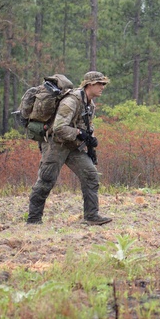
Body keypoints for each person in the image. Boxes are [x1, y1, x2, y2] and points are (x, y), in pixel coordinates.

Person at [26, 71, 113, 225]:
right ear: (90, 84)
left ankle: (92, 216)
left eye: (104, 84)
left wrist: (90, 139)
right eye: (100, 84)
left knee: (90, 175)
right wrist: (79, 133)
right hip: (56, 145)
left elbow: (85, 125)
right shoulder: (71, 101)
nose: (103, 87)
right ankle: (33, 219)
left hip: (73, 146)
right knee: (46, 180)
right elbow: (59, 128)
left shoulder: (90, 104)